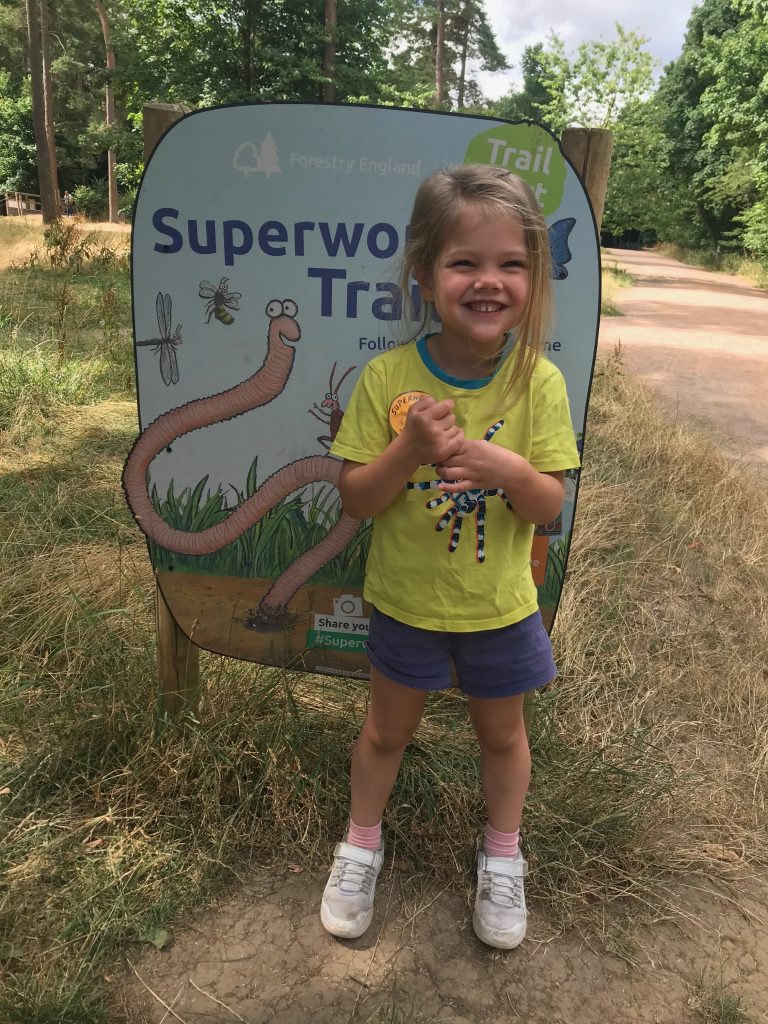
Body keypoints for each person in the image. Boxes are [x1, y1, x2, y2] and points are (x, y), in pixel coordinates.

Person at [320, 164, 581, 950]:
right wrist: (408, 449)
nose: (488, 281)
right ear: (425, 273)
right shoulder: (387, 378)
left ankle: (503, 857)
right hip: (406, 602)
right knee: (384, 734)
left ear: (533, 276)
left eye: (511, 263)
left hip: (499, 609)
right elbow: (357, 500)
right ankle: (361, 843)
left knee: (503, 738)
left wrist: (505, 469)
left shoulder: (540, 383)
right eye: (465, 263)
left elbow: (551, 508)